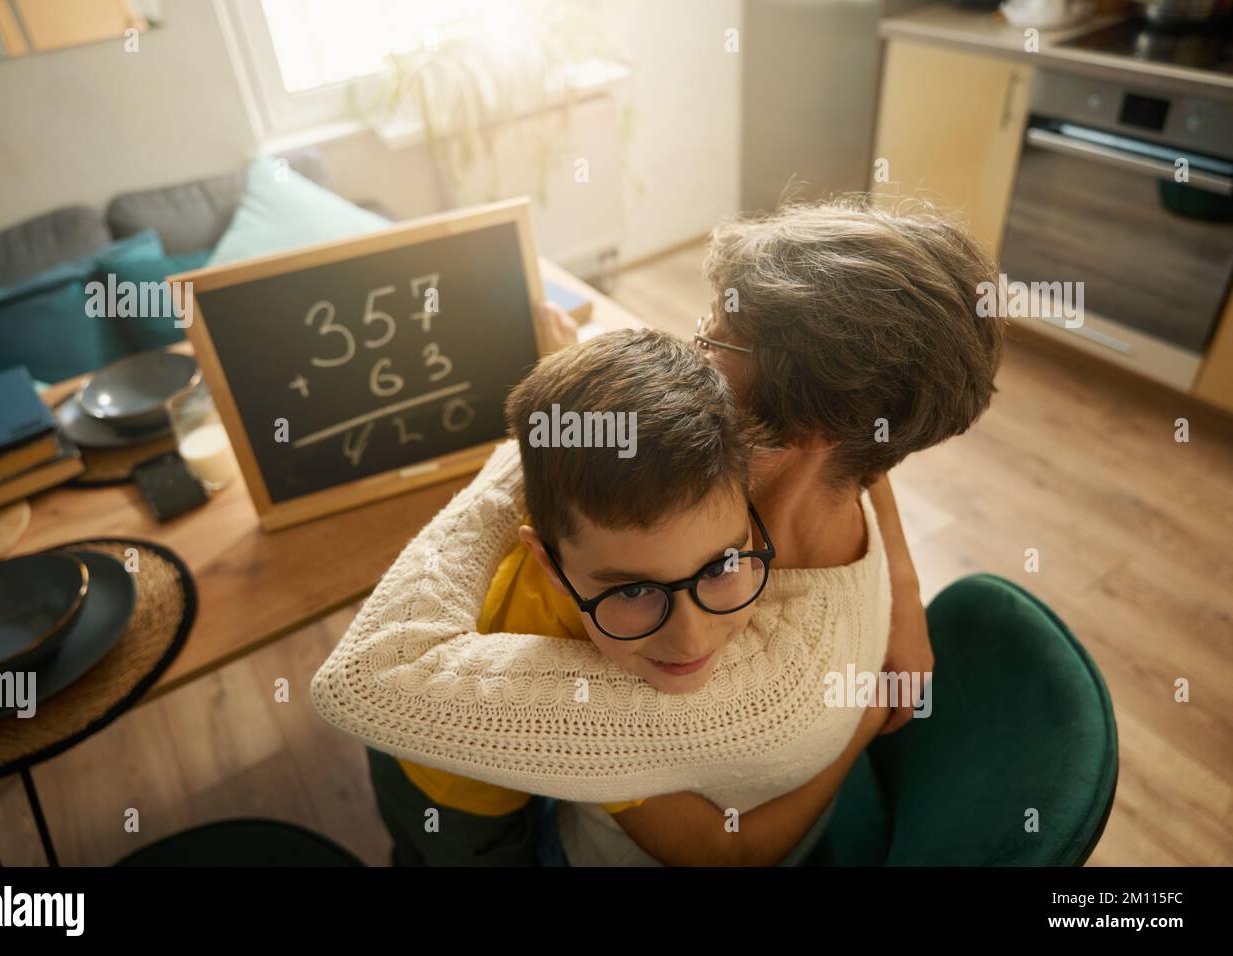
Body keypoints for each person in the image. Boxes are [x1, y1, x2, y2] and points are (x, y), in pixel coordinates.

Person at [312, 196, 1003, 865]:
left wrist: (544, 439)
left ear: (804, 427)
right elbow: (867, 451)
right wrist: (905, 599)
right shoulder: (833, 471)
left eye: (715, 340)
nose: (695, 351)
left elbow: (368, 677)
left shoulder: (694, 666)